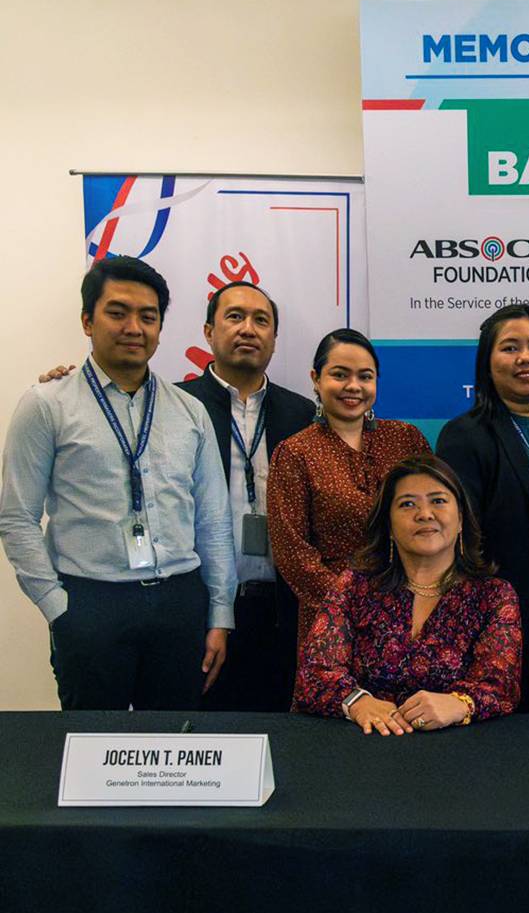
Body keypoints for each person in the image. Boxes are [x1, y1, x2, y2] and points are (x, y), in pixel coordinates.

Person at [0, 256, 235, 709]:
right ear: (87, 321)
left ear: (160, 328)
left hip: (179, 601)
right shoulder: (47, 405)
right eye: (117, 312)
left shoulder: (189, 412)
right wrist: (57, 607)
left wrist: (220, 614)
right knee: (91, 739)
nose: (134, 327)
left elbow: (213, 520)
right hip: (91, 601)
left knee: (175, 740)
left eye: (148, 316)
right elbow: (17, 517)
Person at [294, 455, 521, 731]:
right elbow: (313, 674)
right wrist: (357, 702)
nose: (425, 514)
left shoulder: (494, 596)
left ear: (461, 518)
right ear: (389, 526)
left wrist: (460, 704)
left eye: (438, 501)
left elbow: (501, 687)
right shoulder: (354, 585)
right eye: (407, 504)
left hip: (458, 746)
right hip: (364, 741)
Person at [175, 281, 316, 711]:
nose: (248, 329)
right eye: (234, 317)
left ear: (274, 337)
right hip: (201, 608)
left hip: (282, 612)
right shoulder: (175, 405)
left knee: (284, 732)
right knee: (202, 731)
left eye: (261, 320)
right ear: (208, 331)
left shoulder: (302, 413)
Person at [436, 304, 529, 713]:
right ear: (487, 360)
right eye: (510, 348)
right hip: (504, 624)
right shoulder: (464, 436)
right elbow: (460, 539)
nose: (525, 358)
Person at [266, 329, 431, 639]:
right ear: (316, 379)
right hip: (333, 619)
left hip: (412, 609)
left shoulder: (406, 439)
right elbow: (293, 553)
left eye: (365, 376)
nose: (353, 386)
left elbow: (436, 518)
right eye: (340, 375)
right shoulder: (295, 453)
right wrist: (356, 607)